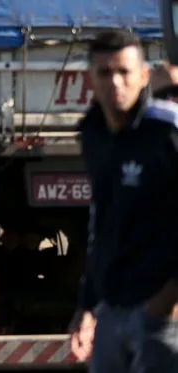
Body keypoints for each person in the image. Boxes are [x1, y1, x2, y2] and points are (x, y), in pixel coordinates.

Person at [69, 30, 178, 371]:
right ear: (91, 79)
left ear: (143, 76)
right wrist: (87, 305)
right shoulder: (93, 133)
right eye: (104, 73)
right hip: (112, 311)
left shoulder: (167, 132)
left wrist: (167, 302)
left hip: (161, 315)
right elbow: (100, 221)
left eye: (124, 72)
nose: (115, 82)